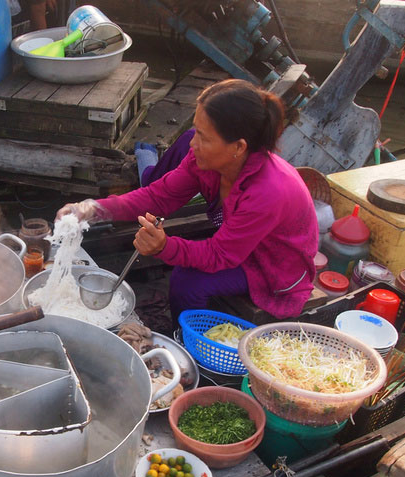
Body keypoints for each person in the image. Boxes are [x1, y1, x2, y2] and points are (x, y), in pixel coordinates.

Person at [56, 79, 319, 322]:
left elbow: (219, 254)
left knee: (188, 280)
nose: (192, 143)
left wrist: (164, 247)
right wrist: (92, 208)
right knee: (188, 263)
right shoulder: (204, 161)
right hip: (240, 244)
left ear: (238, 147)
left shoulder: (267, 191)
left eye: (204, 137)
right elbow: (157, 197)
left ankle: (193, 346)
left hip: (272, 265)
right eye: (196, 131)